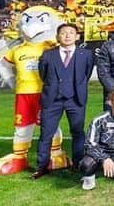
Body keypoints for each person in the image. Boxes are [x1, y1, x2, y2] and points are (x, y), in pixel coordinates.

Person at [32, 23, 95, 179]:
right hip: (52, 100)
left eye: (71, 33)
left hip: (76, 99)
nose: (67, 35)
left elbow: (85, 75)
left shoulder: (86, 54)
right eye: (63, 33)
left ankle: (78, 163)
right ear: (58, 36)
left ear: (77, 36)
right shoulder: (48, 55)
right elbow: (43, 75)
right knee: (46, 134)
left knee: (78, 132)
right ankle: (41, 166)